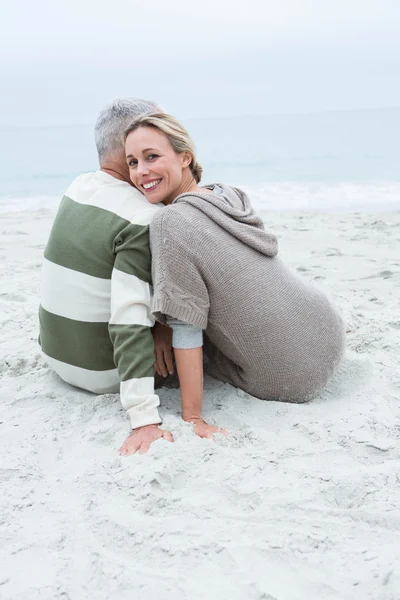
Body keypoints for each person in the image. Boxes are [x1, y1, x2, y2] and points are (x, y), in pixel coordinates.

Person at [124, 112, 346, 442]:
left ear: (185, 157)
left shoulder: (169, 223)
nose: (141, 172)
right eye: (131, 162)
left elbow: (188, 327)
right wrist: (163, 324)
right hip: (328, 330)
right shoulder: (227, 194)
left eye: (152, 156)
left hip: (289, 377)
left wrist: (193, 417)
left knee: (186, 349)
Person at [39, 98, 175, 456]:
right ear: (130, 143)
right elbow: (129, 318)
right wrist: (144, 419)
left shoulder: (78, 187)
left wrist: (161, 325)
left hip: (57, 357)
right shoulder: (141, 217)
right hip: (102, 372)